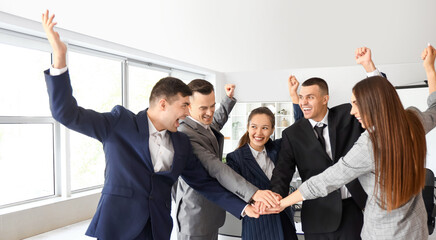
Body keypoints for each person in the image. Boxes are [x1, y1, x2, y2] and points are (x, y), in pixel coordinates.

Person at [41, 11, 260, 240]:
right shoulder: (119, 123)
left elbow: (204, 183)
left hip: (157, 228)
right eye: (185, 105)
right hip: (117, 226)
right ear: (163, 104)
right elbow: (66, 114)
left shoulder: (181, 142)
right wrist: (59, 58)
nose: (188, 112)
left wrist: (244, 207)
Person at [276, 45, 436, 239]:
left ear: (372, 104)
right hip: (416, 229)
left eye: (356, 103)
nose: (351, 111)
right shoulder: (413, 120)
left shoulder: (370, 144)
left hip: (382, 233)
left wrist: (282, 203)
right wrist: (430, 68)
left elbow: (327, 179)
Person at [269, 48, 385, 239]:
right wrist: (275, 197)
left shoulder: (349, 114)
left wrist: (368, 67)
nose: (303, 102)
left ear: (325, 99)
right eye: (301, 97)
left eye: (310, 97)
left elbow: (379, 100)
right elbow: (282, 171)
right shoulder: (293, 133)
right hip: (317, 215)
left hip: (354, 209)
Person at [175, 79, 280, 240]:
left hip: (212, 214)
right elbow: (216, 167)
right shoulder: (185, 133)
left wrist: (228, 100)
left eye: (212, 106)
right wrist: (254, 193)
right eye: (203, 107)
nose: (209, 112)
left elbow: (216, 121)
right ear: (188, 106)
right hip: (195, 216)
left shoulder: (203, 124)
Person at [226, 107, 298, 240]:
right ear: (248, 127)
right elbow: (233, 190)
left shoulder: (278, 148)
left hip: (284, 224)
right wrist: (251, 202)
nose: (258, 133)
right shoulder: (236, 158)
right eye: (254, 126)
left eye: (265, 128)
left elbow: (300, 129)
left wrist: (295, 98)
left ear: (272, 130)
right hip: (258, 226)